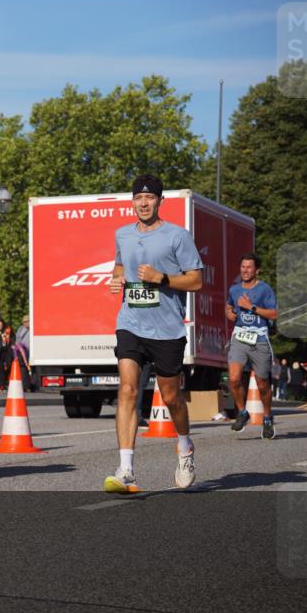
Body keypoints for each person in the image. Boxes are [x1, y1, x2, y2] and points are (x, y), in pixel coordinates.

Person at [105, 174, 203, 493]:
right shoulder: (123, 235)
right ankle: (126, 469)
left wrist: (162, 278)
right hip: (130, 322)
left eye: (149, 198)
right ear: (132, 201)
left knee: (171, 396)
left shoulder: (177, 236)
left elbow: (196, 281)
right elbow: (120, 267)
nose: (143, 203)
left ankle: (185, 447)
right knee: (128, 389)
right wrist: (116, 279)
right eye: (138, 198)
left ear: (161, 201)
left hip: (167, 328)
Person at [225, 252, 279, 439]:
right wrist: (229, 312)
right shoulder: (234, 289)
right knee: (233, 379)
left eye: (249, 267)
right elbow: (229, 305)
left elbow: (274, 314)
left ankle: (267, 417)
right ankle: (242, 412)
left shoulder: (265, 290)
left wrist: (252, 308)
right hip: (240, 337)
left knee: (263, 384)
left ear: (257, 270)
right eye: (243, 267)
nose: (245, 270)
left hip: (259, 339)